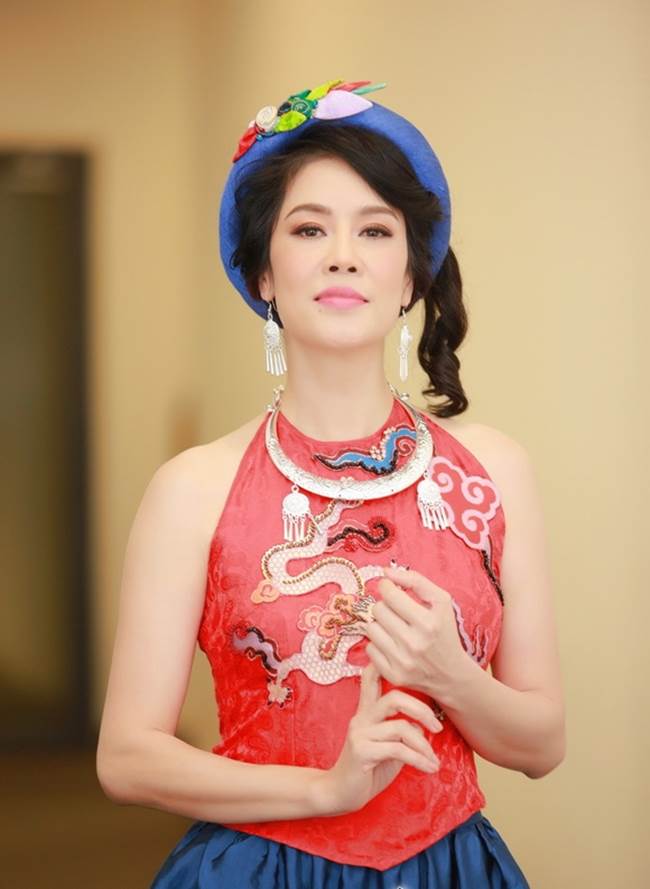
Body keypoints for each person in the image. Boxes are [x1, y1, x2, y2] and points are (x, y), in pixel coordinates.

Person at [96, 78, 565, 888]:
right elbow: (126, 756)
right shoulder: (194, 488)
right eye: (310, 228)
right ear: (264, 274)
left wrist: (450, 674)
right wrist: (325, 788)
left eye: (375, 230)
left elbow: (542, 743)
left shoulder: (493, 472)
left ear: (411, 278)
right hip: (258, 867)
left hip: (448, 867)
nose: (343, 254)